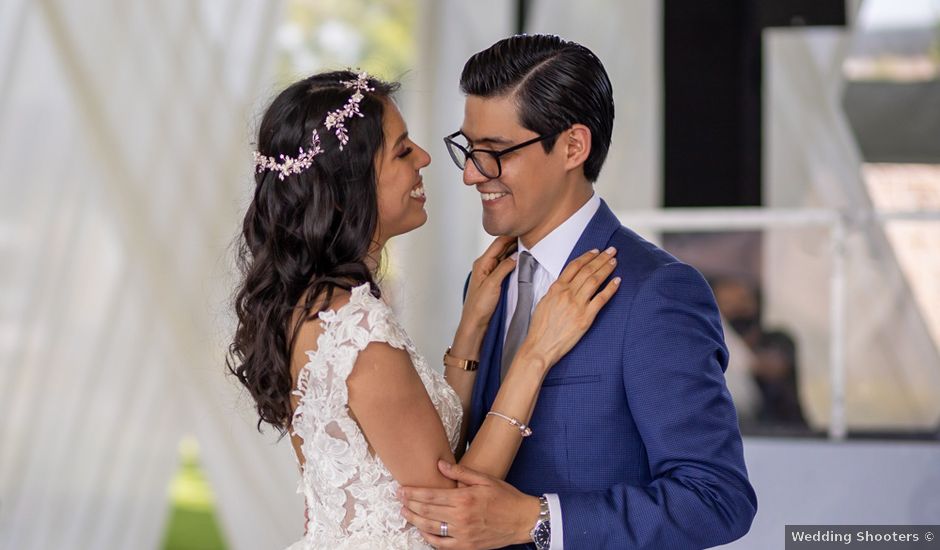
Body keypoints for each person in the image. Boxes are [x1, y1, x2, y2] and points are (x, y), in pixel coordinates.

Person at [226, 69, 620, 549]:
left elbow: (426, 459)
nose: (426, 158)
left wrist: (471, 327)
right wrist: (536, 352)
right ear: (352, 183)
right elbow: (449, 514)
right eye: (403, 149)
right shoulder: (358, 331)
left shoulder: (317, 305)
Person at [398, 34, 758, 549]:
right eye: (469, 149)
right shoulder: (485, 284)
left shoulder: (657, 292)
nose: (473, 174)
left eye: (495, 153)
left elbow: (717, 498)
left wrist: (535, 520)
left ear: (573, 147)